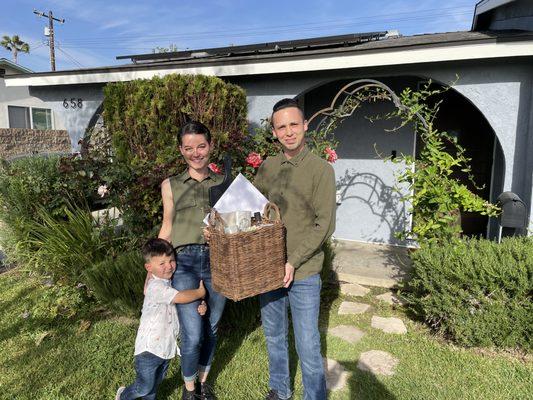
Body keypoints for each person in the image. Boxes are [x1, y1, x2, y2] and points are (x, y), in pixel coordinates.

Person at [254, 98, 336, 400]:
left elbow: (324, 224)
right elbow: (255, 212)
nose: (288, 132)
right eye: (281, 127)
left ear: (305, 126)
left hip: (303, 271)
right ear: (274, 132)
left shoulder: (321, 170)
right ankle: (280, 391)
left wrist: (293, 261)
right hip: (269, 269)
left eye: (293, 124)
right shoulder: (266, 168)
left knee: (307, 343)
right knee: (274, 336)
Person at [158, 121, 227, 400]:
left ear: (210, 146)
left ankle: (204, 382)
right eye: (189, 148)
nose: (196, 153)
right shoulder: (170, 185)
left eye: (201, 146)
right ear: (181, 150)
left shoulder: (224, 183)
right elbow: (166, 226)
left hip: (218, 261)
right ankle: (189, 390)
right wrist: (154, 271)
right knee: (193, 332)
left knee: (211, 327)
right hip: (184, 262)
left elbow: (236, 226)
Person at [116, 238, 207, 400]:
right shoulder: (155, 287)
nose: (169, 266)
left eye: (171, 260)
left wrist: (201, 306)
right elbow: (180, 298)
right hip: (149, 349)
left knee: (155, 383)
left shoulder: (171, 283)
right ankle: (124, 395)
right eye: (162, 263)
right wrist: (200, 293)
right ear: (149, 268)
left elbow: (184, 308)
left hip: (165, 349)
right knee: (144, 387)